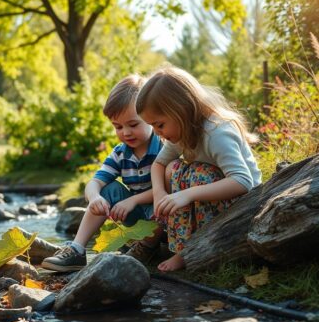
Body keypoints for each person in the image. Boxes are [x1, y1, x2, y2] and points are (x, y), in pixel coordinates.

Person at [136, 66, 262, 272]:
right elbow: (159, 164)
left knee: (197, 175)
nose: (158, 133)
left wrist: (187, 194)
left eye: (159, 125)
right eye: (153, 127)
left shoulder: (217, 133)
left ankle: (191, 250)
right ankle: (181, 247)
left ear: (179, 110)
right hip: (212, 194)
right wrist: (159, 192)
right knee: (174, 169)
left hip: (245, 204)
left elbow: (242, 181)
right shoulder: (182, 129)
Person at [42, 75, 163, 272]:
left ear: (150, 118)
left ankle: (146, 248)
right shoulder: (120, 153)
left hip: (162, 214)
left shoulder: (163, 147)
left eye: (133, 125)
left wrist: (133, 200)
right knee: (108, 188)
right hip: (135, 217)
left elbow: (168, 188)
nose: (126, 132)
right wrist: (95, 197)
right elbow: (95, 182)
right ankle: (77, 249)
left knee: (163, 209)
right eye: (118, 126)